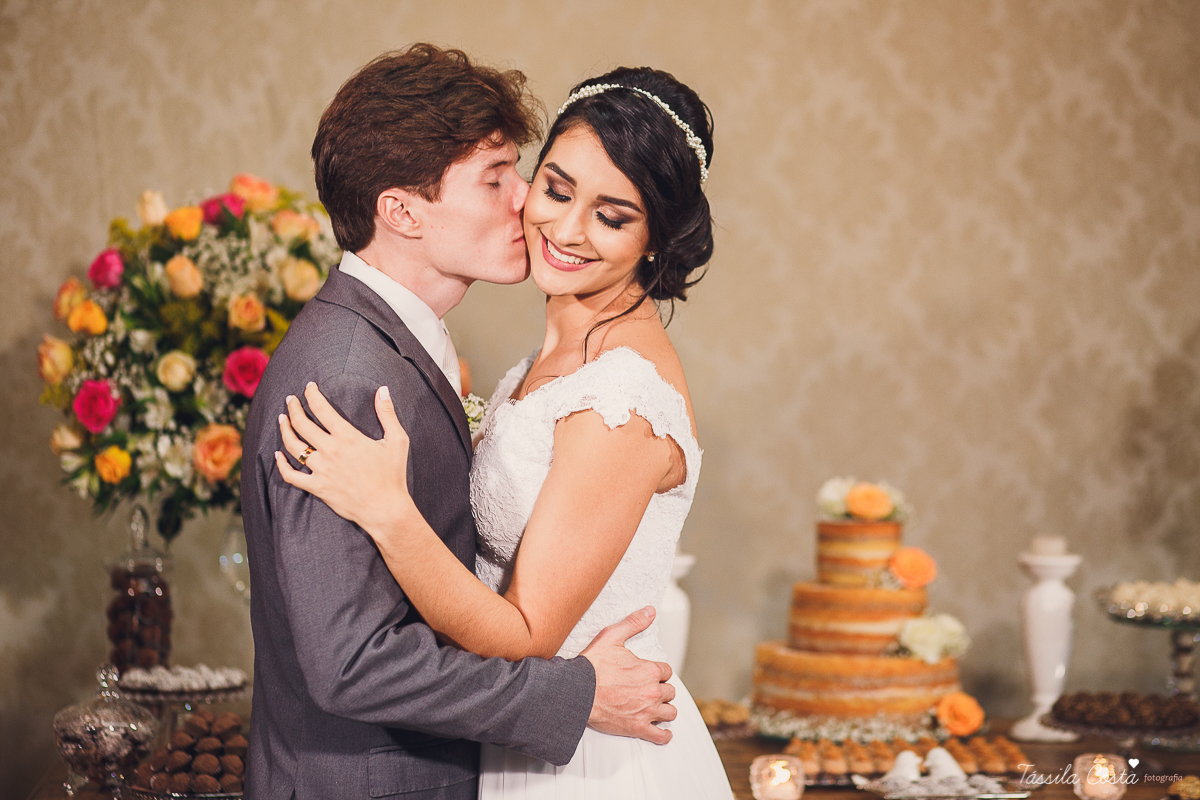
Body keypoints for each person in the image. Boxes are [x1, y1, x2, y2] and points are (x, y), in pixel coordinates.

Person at [274, 66, 735, 798]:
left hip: (591, 760)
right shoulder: (548, 360)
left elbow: (526, 635)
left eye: (613, 217)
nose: (564, 228)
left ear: (656, 239)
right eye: (556, 188)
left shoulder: (620, 400)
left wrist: (389, 512)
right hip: (524, 740)